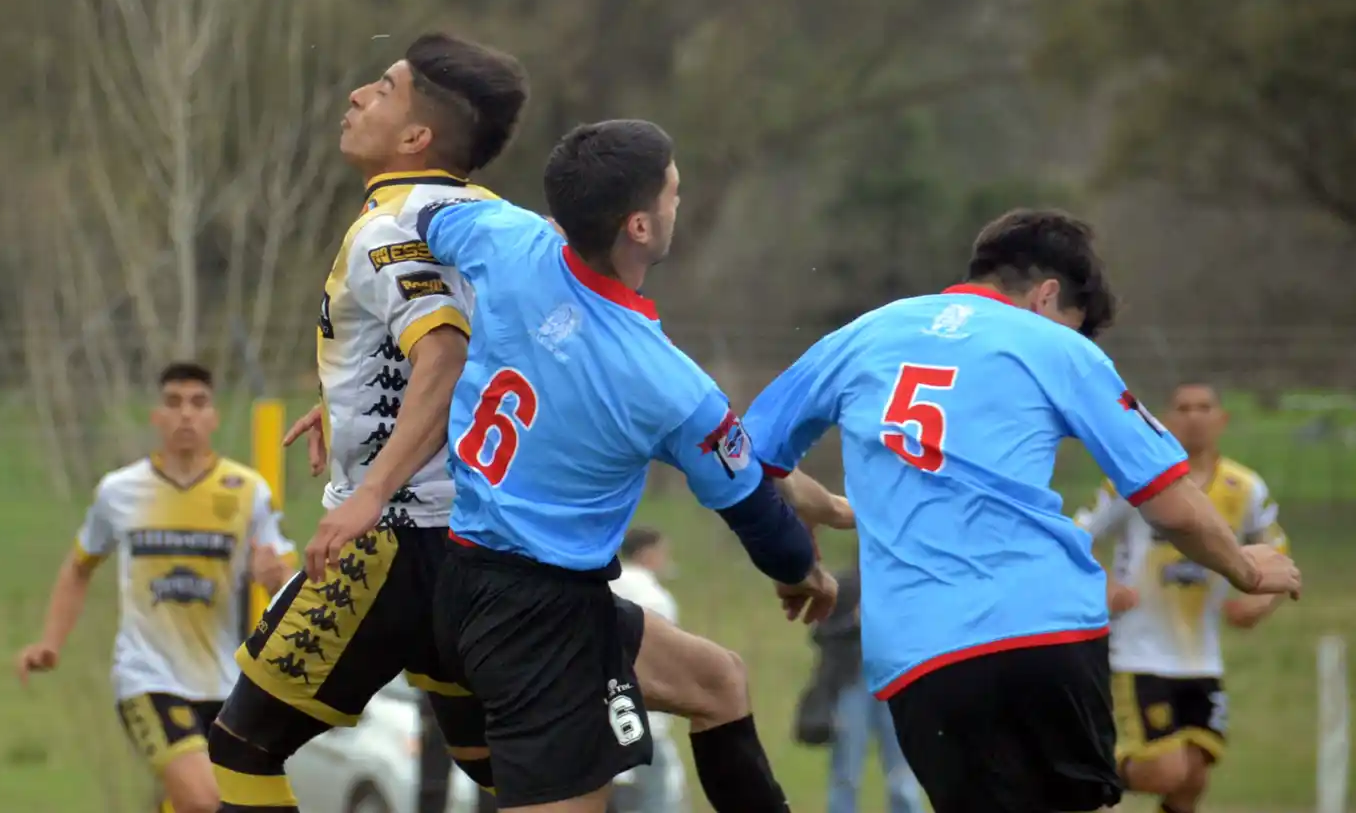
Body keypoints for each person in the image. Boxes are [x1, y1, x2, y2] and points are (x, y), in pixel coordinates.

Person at [741, 208, 1303, 813]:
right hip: (1047, 634)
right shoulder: (1056, 348)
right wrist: (1244, 567)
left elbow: (748, 459)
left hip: (923, 656)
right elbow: (1173, 506)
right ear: (1047, 296)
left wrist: (800, 557)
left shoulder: (864, 334)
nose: (1074, 338)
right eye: (1074, 325)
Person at [417, 119, 846, 813]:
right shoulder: (665, 383)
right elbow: (760, 522)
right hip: (535, 618)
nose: (681, 200)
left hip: (482, 581)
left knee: (718, 682)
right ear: (640, 227)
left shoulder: (508, 237)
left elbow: (431, 213)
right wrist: (807, 573)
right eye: (673, 190)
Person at [206, 32, 529, 812]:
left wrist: (369, 488)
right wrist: (353, 400)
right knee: (493, 762)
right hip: (483, 535)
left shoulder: (386, 226)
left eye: (383, 89)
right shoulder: (493, 215)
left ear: (416, 137)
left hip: (394, 539)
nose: (356, 96)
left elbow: (443, 354)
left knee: (241, 744)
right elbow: (480, 337)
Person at [15, 362, 297, 813]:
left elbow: (285, 575)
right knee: (207, 802)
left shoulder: (248, 491)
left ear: (214, 417)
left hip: (226, 684)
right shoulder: (120, 492)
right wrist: (51, 641)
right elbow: (78, 567)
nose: (186, 414)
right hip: (148, 678)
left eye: (198, 403)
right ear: (156, 416)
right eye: (174, 403)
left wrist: (275, 577)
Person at [1076, 380, 1290, 813]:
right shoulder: (1138, 480)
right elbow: (1078, 534)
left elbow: (1279, 555)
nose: (1194, 417)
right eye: (1183, 408)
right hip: (1137, 654)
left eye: (1204, 407)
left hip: (1201, 658)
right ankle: (1073, 780)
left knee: (1193, 778)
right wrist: (1105, 585)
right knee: (1167, 770)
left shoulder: (1244, 488)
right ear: (1167, 421)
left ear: (1222, 419)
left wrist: (1261, 602)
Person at [807, 562, 922, 813]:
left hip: (895, 685)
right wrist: (854, 621)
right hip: (852, 685)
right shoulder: (845, 585)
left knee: (903, 767)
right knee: (846, 767)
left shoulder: (902, 586)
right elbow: (821, 633)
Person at [609, 528, 686, 813]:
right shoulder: (654, 598)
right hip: (645, 719)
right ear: (647, 553)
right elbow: (664, 662)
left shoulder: (602, 588)